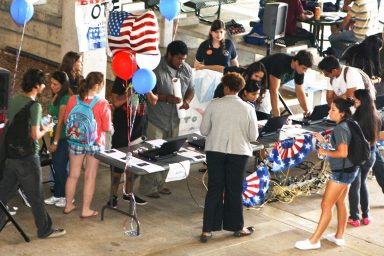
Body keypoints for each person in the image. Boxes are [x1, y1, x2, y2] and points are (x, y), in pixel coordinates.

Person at [0, 69, 66, 238]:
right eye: (43, 82)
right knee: (36, 194)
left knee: (4, 192)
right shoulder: (35, 106)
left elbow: (10, 123)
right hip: (28, 157)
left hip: (11, 155)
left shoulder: (15, 99)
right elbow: (35, 135)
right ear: (37, 86)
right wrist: (47, 128)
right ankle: (44, 229)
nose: (45, 85)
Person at [199, 72, 258, 243]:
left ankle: (207, 230)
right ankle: (237, 227)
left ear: (225, 87)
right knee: (234, 190)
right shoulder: (248, 108)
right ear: (240, 89)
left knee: (214, 190)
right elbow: (253, 136)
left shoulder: (214, 104)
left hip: (215, 151)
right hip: (238, 153)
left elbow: (203, 131)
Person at [295, 98, 358, 250]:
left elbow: (342, 153)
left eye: (333, 110)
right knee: (340, 202)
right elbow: (342, 148)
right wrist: (323, 142)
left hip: (341, 173)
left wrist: (323, 150)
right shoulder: (351, 123)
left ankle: (314, 240)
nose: (329, 112)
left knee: (326, 204)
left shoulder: (340, 129)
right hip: (350, 169)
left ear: (342, 113)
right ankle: (339, 236)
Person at [140, 40, 195, 198]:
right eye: (178, 58)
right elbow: (147, 93)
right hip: (156, 119)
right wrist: (166, 98)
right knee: (153, 153)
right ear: (169, 55)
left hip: (175, 119)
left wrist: (187, 101)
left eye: (184, 59)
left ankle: (160, 183)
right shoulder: (156, 69)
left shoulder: (186, 69)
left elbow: (191, 89)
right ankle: (148, 187)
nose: (181, 62)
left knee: (169, 154)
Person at [63, 72, 112, 218]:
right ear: (97, 85)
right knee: (90, 176)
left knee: (73, 175)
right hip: (94, 143)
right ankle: (85, 210)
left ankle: (68, 205)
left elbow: (67, 121)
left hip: (75, 140)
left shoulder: (73, 99)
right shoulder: (102, 103)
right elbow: (107, 127)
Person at [107, 76, 157, 207]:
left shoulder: (148, 76)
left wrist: (147, 89)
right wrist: (131, 91)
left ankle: (128, 193)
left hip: (139, 128)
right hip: (122, 127)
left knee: (134, 162)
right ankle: (113, 196)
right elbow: (116, 102)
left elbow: (154, 101)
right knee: (117, 163)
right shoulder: (122, 78)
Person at [348, 89, 381, 227]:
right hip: (371, 154)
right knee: (363, 183)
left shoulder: (355, 120)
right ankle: (366, 216)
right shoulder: (377, 116)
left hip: (357, 156)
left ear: (360, 101)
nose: (353, 102)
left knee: (354, 186)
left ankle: (354, 217)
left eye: (354, 100)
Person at [44, 71, 71, 208]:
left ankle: (67, 197)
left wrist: (55, 141)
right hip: (54, 135)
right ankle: (58, 195)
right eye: (51, 83)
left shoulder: (65, 98)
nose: (52, 86)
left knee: (60, 168)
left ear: (63, 84)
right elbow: (51, 117)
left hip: (63, 138)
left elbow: (60, 122)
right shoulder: (56, 96)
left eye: (55, 84)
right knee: (56, 167)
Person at [259, 50, 313, 117]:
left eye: (306, 69)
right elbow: (273, 90)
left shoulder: (300, 70)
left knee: (265, 111)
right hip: (255, 83)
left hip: (267, 87)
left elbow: (299, 90)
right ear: (296, 62)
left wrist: (306, 110)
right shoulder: (281, 63)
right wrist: (278, 117)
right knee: (263, 114)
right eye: (304, 68)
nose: (305, 72)